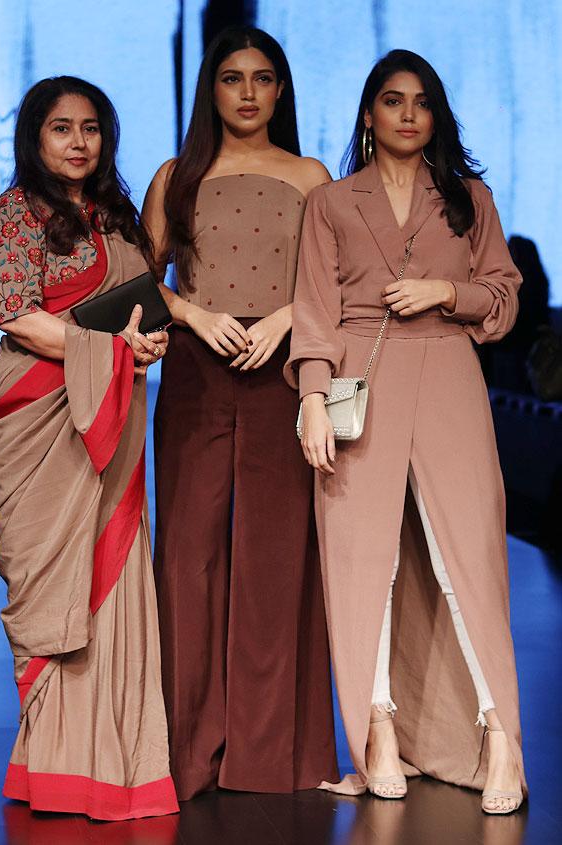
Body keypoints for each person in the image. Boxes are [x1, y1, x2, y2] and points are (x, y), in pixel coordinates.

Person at [286, 49, 527, 814]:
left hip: (451, 374)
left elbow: (503, 294)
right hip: (364, 376)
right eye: (392, 100)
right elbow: (314, 308)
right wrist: (314, 398)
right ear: (368, 113)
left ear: (436, 114)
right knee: (367, 561)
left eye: (422, 101)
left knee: (472, 562)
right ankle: (377, 728)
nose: (408, 113)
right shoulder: (329, 202)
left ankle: (500, 739)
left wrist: (446, 291)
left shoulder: (468, 197)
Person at [0, 76, 178, 822]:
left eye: (91, 128)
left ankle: (117, 766)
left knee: (113, 580)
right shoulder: (10, 216)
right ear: (35, 136)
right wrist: (113, 344)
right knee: (43, 583)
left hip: (110, 410)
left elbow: (141, 298)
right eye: (62, 128)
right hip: (37, 416)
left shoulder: (116, 215)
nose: (78, 142)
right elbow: (20, 318)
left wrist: (143, 341)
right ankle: (50, 761)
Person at [142, 25, 339, 800]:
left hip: (282, 376)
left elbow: (334, 282)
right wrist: (193, 316)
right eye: (232, 77)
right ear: (211, 89)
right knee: (188, 561)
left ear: (282, 89)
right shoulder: (176, 175)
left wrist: (289, 316)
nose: (248, 92)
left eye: (263, 77)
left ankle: (266, 756)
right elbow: (142, 280)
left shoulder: (311, 174)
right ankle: (186, 751)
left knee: (274, 562)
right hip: (196, 374)